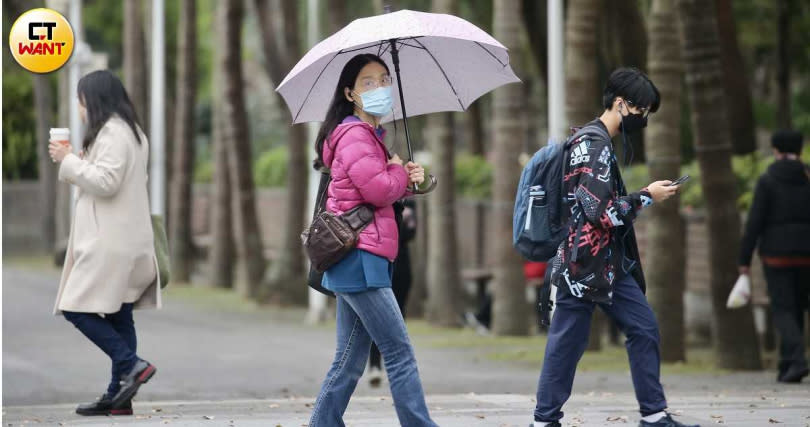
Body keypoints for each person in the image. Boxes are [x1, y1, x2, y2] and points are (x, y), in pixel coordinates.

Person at [532, 68, 697, 427]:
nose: (645, 120)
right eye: (642, 111)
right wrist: (647, 196)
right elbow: (601, 213)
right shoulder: (593, 146)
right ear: (621, 104)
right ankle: (544, 421)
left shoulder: (591, 142)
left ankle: (653, 415)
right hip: (584, 265)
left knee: (642, 328)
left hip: (605, 263)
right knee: (567, 346)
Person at [307, 53, 437, 427]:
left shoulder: (369, 138)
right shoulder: (354, 136)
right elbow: (379, 191)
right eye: (368, 82)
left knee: (348, 361)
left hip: (361, 258)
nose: (379, 87)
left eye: (384, 80)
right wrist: (396, 173)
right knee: (398, 352)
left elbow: (375, 193)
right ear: (350, 93)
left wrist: (407, 181)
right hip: (360, 257)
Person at [48, 70, 160, 416]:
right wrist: (79, 161)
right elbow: (113, 178)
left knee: (75, 306)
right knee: (120, 312)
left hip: (110, 241)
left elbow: (107, 182)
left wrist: (67, 162)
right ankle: (118, 396)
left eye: (81, 102)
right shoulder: (130, 131)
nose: (80, 109)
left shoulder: (113, 132)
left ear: (93, 100)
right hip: (124, 237)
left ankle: (130, 365)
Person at [739, 130, 810, 384]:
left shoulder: (768, 179)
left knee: (782, 309)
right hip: (806, 255)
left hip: (776, 256)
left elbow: (755, 223)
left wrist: (744, 260)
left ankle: (798, 360)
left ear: (776, 150)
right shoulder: (807, 175)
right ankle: (787, 367)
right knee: (798, 308)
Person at [367, 199, 417, 387]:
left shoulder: (409, 202)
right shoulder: (376, 193)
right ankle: (374, 364)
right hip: (378, 262)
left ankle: (396, 367)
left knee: (399, 314)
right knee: (375, 315)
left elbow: (409, 233)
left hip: (401, 265)